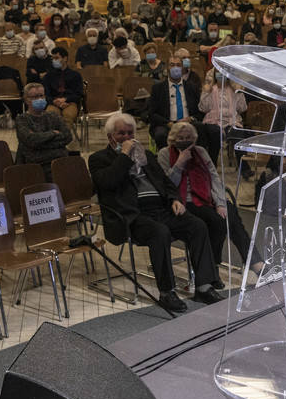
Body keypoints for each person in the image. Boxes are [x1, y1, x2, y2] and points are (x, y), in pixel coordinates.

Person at [88, 112, 223, 314]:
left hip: (161, 209)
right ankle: (166, 292)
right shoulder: (99, 159)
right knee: (160, 232)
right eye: (121, 133)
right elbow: (109, 181)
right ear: (110, 137)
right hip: (131, 215)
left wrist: (175, 199)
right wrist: (124, 156)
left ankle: (204, 286)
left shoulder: (147, 156)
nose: (126, 137)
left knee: (197, 225)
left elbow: (165, 183)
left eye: (130, 133)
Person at [157, 121, 261, 286]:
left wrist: (220, 203)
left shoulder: (201, 152)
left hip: (208, 198)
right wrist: (179, 164)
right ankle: (213, 267)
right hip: (184, 201)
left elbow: (214, 178)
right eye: (181, 137)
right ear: (173, 139)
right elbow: (166, 184)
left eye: (188, 138)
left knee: (231, 216)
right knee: (218, 222)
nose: (185, 140)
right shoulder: (164, 154)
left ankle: (255, 262)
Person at [14, 83, 71, 181]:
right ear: (27, 100)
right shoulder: (22, 119)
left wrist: (39, 141)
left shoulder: (53, 115)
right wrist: (53, 133)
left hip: (60, 162)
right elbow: (30, 140)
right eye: (35, 97)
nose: (40, 99)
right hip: (38, 166)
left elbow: (67, 136)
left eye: (42, 95)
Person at [147, 55, 202, 150]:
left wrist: (190, 118)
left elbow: (200, 110)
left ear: (183, 67)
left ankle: (199, 161)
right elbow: (152, 113)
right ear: (167, 67)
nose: (175, 68)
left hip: (188, 122)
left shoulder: (192, 87)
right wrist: (169, 123)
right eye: (172, 65)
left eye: (178, 65)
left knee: (200, 128)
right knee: (160, 134)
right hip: (166, 123)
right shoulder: (158, 88)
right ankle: (165, 161)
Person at [41, 47, 84, 127]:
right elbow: (45, 94)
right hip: (53, 103)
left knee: (68, 116)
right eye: (52, 58)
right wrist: (55, 101)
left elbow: (79, 94)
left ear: (65, 58)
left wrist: (65, 99)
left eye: (56, 58)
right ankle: (54, 138)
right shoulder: (48, 76)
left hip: (70, 103)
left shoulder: (75, 75)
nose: (54, 60)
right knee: (51, 116)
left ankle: (65, 138)